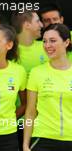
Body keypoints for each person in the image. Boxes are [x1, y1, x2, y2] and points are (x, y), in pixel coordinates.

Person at [23, 23, 72, 151]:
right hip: (43, 139)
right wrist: (25, 144)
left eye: (53, 41)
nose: (47, 45)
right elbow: (30, 112)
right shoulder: (36, 72)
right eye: (44, 41)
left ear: (66, 42)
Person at [11, 10, 48, 151]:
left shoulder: (47, 47)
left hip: (43, 124)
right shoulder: (8, 50)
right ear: (26, 24)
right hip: (14, 123)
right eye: (37, 21)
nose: (41, 25)